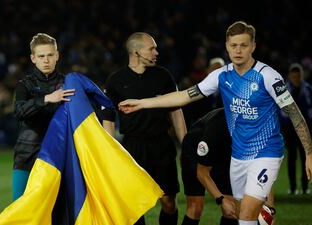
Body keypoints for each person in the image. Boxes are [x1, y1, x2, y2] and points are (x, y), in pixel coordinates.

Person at [119, 21, 312, 225]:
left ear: (253, 46)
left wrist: (309, 154)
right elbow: (184, 96)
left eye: (244, 45)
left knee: (246, 214)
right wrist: (142, 103)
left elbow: (296, 115)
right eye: (233, 45)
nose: (238, 50)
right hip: (238, 155)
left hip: (266, 152)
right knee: (241, 214)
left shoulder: (268, 77)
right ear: (227, 47)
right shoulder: (221, 76)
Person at [102, 32, 187, 225]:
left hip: (162, 144)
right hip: (133, 148)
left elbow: (176, 112)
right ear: (136, 51)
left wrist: (185, 143)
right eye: (152, 48)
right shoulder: (115, 80)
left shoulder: (163, 76)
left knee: (168, 202)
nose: (156, 52)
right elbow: (108, 119)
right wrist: (112, 153)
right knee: (134, 204)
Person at [182, 108, 275, 225]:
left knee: (233, 210)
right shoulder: (218, 126)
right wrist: (221, 199)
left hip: (227, 154)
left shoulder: (260, 131)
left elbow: (264, 171)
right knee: (196, 208)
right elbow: (202, 172)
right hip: (195, 151)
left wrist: (270, 210)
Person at [12, 33, 75, 200]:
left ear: (57, 56)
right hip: (27, 153)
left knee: (58, 209)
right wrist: (47, 99)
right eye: (41, 56)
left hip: (60, 153)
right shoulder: (24, 85)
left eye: (50, 55)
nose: (46, 60)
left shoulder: (69, 84)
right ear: (33, 58)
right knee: (19, 205)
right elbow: (18, 112)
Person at [281, 63, 312, 195]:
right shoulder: (283, 89)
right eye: (293, 76)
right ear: (289, 76)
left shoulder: (308, 89)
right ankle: (293, 187)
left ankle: (305, 187)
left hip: (305, 129)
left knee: (306, 157)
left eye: (298, 76)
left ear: (301, 76)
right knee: (292, 158)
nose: (295, 79)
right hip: (290, 130)